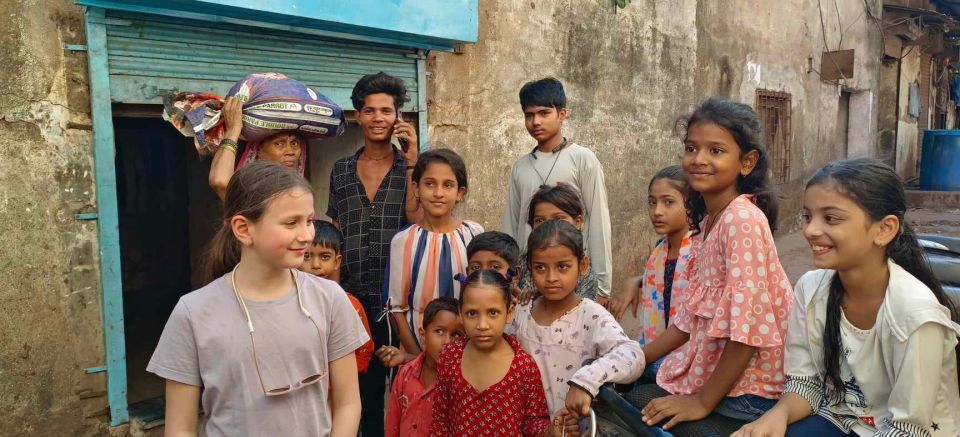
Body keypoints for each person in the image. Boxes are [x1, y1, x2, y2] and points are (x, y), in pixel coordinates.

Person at [733, 159, 960, 437]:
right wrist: (776, 415)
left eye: (830, 218)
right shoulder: (812, 289)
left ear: (884, 229)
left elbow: (909, 429)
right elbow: (807, 384)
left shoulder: (915, 314)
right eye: (808, 216)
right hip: (842, 420)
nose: (810, 230)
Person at [148, 161, 368, 436]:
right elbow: (180, 428)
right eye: (291, 223)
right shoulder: (193, 313)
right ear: (243, 229)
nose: (307, 235)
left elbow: (348, 403)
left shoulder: (330, 299)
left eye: (309, 221)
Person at [627, 98, 792, 434]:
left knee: (638, 406)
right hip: (713, 372)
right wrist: (633, 359)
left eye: (715, 151)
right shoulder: (709, 223)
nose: (699, 159)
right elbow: (686, 323)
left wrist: (701, 402)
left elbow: (748, 332)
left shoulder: (741, 220)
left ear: (746, 162)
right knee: (622, 381)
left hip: (750, 391)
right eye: (691, 148)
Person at [327, 71, 421, 436]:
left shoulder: (409, 169)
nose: (378, 118)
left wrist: (413, 159)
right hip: (352, 298)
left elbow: (415, 216)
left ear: (398, 116)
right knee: (360, 390)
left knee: (404, 387)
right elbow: (334, 229)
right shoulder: (342, 170)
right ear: (357, 117)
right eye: (370, 110)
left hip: (395, 300)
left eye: (386, 110)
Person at [512, 219, 644, 422]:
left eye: (562, 267)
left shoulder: (591, 315)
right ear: (530, 267)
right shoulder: (522, 311)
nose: (551, 277)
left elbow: (632, 355)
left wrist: (586, 381)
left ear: (582, 266)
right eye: (540, 268)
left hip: (573, 426)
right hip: (527, 425)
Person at [502, 77, 613, 303]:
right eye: (529, 115)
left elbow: (599, 222)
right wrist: (509, 276)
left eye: (544, 113)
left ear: (562, 115)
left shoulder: (583, 159)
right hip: (531, 273)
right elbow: (512, 224)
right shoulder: (521, 166)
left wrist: (602, 287)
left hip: (572, 272)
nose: (536, 122)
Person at [430, 269, 565, 436]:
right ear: (460, 313)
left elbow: (533, 421)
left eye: (493, 313)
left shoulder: (523, 367)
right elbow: (440, 419)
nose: (482, 325)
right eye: (472, 313)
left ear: (509, 313)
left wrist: (549, 432)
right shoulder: (451, 355)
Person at [386, 148, 483, 355]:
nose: (438, 193)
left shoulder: (473, 235)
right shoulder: (403, 241)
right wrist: (417, 359)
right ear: (416, 188)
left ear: (460, 193)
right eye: (430, 184)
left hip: (467, 354)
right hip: (417, 351)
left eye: (447, 185)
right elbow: (397, 308)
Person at [378, 231, 520, 368]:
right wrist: (406, 357)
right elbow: (448, 363)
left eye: (495, 267)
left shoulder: (525, 314)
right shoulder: (465, 313)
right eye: (476, 267)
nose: (483, 273)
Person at [609, 165, 692, 382]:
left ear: (691, 205)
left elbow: (689, 326)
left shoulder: (699, 251)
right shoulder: (660, 250)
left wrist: (637, 359)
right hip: (660, 352)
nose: (657, 211)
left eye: (668, 202)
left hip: (690, 359)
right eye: (652, 202)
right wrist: (637, 281)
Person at [299, 220, 375, 373]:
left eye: (324, 257)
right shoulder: (290, 300)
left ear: (337, 261)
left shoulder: (349, 304)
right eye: (307, 256)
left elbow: (364, 350)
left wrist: (340, 379)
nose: (315, 265)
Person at [385, 297, 463, 437]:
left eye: (456, 335)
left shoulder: (461, 384)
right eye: (439, 331)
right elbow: (392, 425)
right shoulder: (405, 375)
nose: (447, 342)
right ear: (423, 335)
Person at [208, 96, 308, 201]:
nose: (290, 152)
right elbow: (220, 183)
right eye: (279, 143)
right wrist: (233, 130)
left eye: (294, 143)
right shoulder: (257, 197)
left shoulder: (302, 196)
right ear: (258, 152)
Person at [516, 183, 602, 303]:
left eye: (558, 219)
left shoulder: (585, 276)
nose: (549, 226)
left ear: (578, 222)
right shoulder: (522, 263)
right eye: (540, 220)